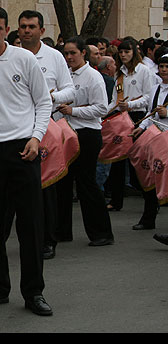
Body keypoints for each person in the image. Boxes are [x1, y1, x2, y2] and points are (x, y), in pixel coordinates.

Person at [0, 5, 53, 317]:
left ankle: (34, 292)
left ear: (8, 31)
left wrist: (36, 137)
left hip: (23, 149)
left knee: (31, 225)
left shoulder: (24, 59)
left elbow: (43, 102)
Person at [15, 10, 75, 260]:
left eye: (32, 26)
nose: (27, 30)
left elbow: (70, 90)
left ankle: (48, 239)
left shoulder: (54, 57)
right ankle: (25, 238)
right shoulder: (11, 56)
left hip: (45, 126)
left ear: (42, 30)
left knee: (46, 187)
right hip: (16, 128)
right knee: (19, 189)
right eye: (23, 26)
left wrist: (51, 97)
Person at [55, 36, 114, 246]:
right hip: (65, 133)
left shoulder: (93, 77)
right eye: (66, 53)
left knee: (86, 184)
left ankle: (102, 233)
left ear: (83, 54)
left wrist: (74, 111)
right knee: (61, 183)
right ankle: (62, 231)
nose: (69, 57)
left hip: (87, 134)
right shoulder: (65, 75)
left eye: (73, 53)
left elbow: (101, 108)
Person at [106, 37, 155, 211]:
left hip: (137, 118)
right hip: (120, 118)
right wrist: (105, 112)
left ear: (134, 53)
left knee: (137, 161)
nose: (124, 55)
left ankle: (150, 197)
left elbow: (149, 97)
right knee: (117, 161)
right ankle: (116, 200)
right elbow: (114, 100)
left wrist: (131, 104)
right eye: (121, 52)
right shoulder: (119, 73)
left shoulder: (143, 71)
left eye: (127, 51)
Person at [130, 53, 168, 230]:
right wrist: (142, 126)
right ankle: (148, 217)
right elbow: (150, 112)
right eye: (162, 67)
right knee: (149, 174)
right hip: (153, 136)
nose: (164, 70)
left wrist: (166, 114)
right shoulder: (155, 88)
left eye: (167, 67)